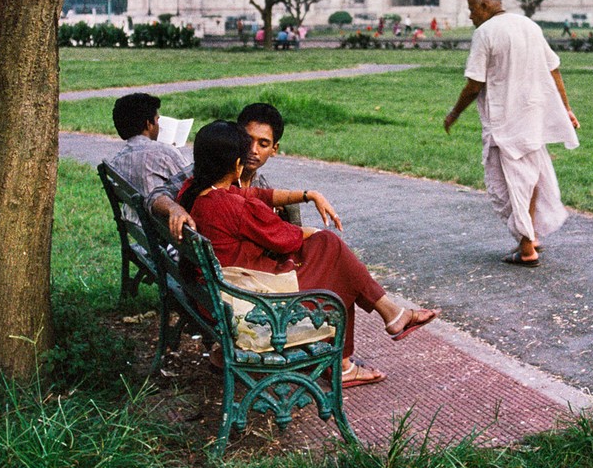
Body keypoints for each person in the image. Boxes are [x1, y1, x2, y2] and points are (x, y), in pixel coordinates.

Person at [179, 120, 438, 387]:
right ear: (236, 165)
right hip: (251, 303)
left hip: (217, 298)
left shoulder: (194, 193)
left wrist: (306, 196)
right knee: (333, 253)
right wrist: (314, 233)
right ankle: (376, 333)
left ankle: (390, 319)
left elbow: (253, 193)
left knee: (334, 258)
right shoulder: (233, 206)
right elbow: (286, 239)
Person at [443, 0, 579, 267]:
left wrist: (455, 112)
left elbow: (475, 83)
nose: (470, 17)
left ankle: (527, 247)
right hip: (533, 116)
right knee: (530, 178)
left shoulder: (486, 33)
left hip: (504, 120)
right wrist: (566, 108)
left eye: (471, 10)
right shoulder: (528, 25)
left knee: (508, 185)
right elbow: (553, 68)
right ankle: (531, 235)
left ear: (484, 6)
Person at [108, 93, 195, 239]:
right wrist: (173, 152)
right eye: (157, 120)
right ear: (149, 124)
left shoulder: (116, 160)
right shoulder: (164, 152)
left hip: (140, 233)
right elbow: (193, 181)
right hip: (165, 237)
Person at [237, 102, 301, 226]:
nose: (253, 150)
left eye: (263, 144)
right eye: (247, 140)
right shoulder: (206, 175)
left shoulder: (264, 189)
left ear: (274, 149)